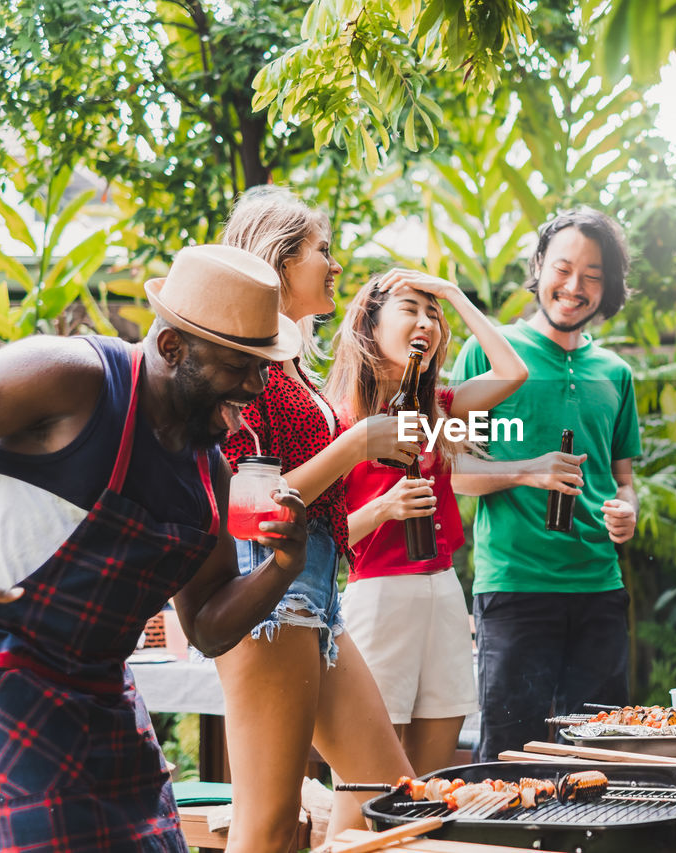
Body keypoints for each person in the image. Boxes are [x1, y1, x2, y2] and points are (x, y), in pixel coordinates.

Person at [0, 244, 309, 852]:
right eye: (239, 366)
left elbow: (206, 626)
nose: (256, 386)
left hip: (104, 694)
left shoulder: (210, 475)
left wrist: (284, 568)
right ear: (173, 348)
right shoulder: (72, 377)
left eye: (262, 366)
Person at [215, 186, 418, 851]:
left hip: (318, 598)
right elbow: (251, 509)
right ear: (277, 257)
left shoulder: (291, 361)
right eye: (322, 250)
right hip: (269, 595)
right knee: (269, 826)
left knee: (393, 797)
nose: (336, 265)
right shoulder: (245, 361)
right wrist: (358, 443)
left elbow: (321, 511)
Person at [449, 207, 641, 760]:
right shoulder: (489, 353)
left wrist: (626, 511)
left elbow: (623, 481)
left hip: (600, 591)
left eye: (592, 275)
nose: (574, 286)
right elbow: (455, 474)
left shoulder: (616, 374)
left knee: (602, 758)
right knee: (513, 759)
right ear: (538, 267)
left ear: (608, 288)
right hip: (515, 589)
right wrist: (528, 470)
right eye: (562, 268)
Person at [323, 268, 527, 774]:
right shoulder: (339, 419)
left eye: (432, 314)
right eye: (410, 310)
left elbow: (513, 371)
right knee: (376, 782)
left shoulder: (438, 408)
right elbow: (323, 537)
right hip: (378, 599)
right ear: (369, 325)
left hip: (444, 595)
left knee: (433, 782)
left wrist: (454, 294)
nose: (426, 322)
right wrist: (385, 508)